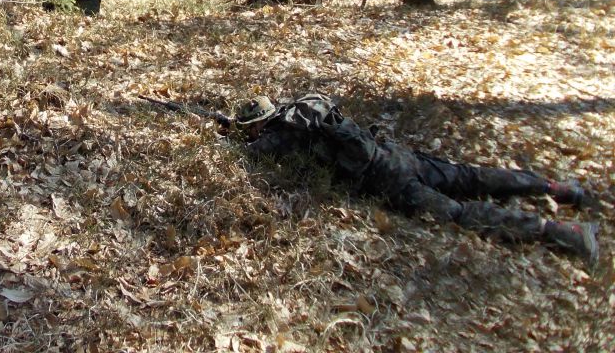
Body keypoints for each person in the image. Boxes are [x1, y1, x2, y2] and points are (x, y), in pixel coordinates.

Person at [237, 93, 600, 265]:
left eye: (250, 128)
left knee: (459, 214)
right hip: (397, 155)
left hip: (388, 180)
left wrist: (234, 136)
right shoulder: (302, 106)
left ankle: (562, 233)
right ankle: (556, 187)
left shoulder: (280, 134)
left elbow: (252, 153)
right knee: (470, 176)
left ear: (258, 124)